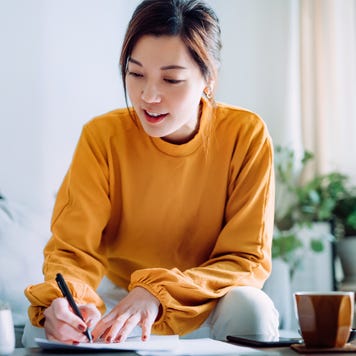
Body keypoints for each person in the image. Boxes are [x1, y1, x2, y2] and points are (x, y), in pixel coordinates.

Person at [23, 0, 279, 346]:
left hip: (204, 300)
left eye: (171, 79)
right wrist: (72, 302)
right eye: (136, 73)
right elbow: (72, 251)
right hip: (119, 301)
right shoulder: (102, 137)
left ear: (209, 78)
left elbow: (246, 259)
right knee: (46, 325)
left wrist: (158, 292)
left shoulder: (245, 134)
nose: (148, 95)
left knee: (253, 308)